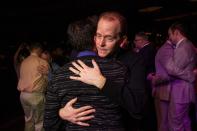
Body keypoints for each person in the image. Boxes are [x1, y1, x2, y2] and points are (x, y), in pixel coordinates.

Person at [59, 11, 147, 130]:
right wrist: (61, 112)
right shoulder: (81, 56)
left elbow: (138, 105)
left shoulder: (134, 61)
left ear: (122, 40)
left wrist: (101, 82)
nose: (101, 44)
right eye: (98, 36)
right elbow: (66, 91)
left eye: (109, 38)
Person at [44, 16, 128, 131]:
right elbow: (131, 110)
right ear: (95, 38)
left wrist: (60, 113)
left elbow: (49, 123)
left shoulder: (59, 75)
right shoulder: (119, 68)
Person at [17, 42, 49, 131]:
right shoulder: (41, 62)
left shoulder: (24, 62)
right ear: (39, 50)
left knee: (28, 120)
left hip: (23, 95)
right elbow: (47, 81)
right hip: (35, 96)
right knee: (40, 122)